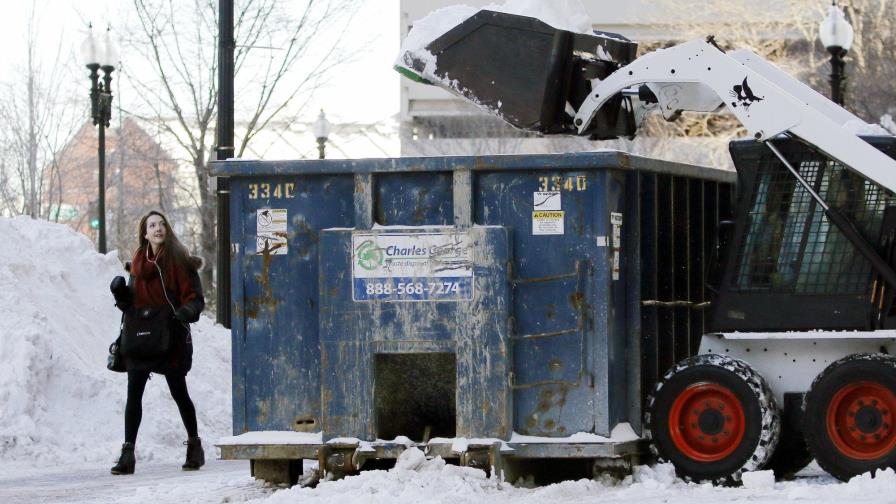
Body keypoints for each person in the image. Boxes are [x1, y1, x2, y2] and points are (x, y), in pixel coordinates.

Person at [108, 210, 206, 475]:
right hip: (141, 335)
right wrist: (120, 292)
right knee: (134, 393)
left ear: (167, 230)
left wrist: (184, 313)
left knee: (179, 392)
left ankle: (194, 445)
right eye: (152, 225)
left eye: (162, 224)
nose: (158, 228)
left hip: (170, 336)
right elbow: (131, 304)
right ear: (145, 232)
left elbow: (196, 299)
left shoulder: (179, 261)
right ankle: (127, 454)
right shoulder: (138, 263)